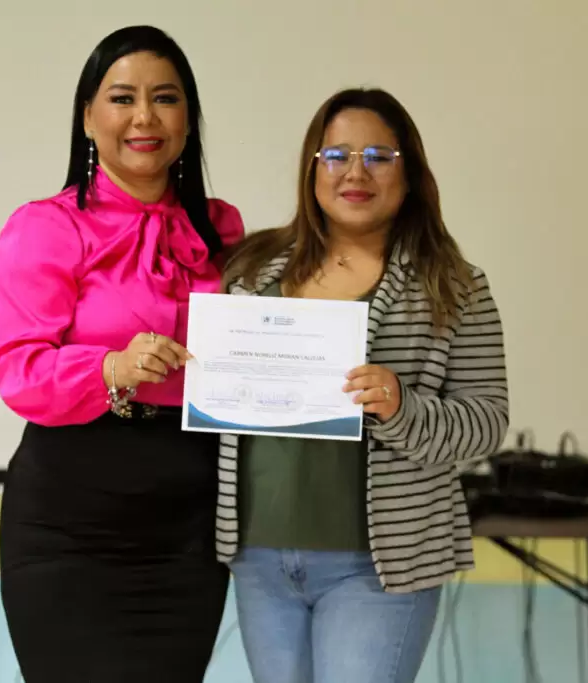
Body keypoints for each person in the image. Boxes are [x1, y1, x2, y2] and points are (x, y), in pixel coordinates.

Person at [216, 88, 510, 683]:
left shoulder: (453, 285)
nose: (356, 172)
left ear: (409, 173)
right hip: (260, 559)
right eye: (336, 156)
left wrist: (402, 407)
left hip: (379, 566)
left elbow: (487, 422)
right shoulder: (250, 269)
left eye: (379, 155)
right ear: (312, 168)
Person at [0, 25, 245, 683]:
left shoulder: (221, 229)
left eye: (165, 98)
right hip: (68, 524)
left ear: (188, 118)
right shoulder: (46, 227)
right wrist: (112, 368)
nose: (144, 117)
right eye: (122, 97)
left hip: (187, 528)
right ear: (87, 117)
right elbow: (18, 370)